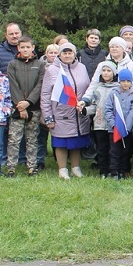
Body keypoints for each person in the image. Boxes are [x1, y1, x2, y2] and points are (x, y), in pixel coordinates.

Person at [43, 42, 92, 179]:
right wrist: (48, 116)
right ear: (60, 54)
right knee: (61, 142)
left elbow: (88, 88)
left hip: (78, 112)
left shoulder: (81, 67)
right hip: (61, 113)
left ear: (74, 54)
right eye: (64, 53)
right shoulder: (52, 70)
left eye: (70, 52)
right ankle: (62, 169)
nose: (67, 55)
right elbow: (46, 94)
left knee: (76, 141)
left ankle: (76, 168)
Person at [4, 36, 45, 177]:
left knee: (32, 138)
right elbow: (12, 85)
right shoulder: (13, 64)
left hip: (33, 107)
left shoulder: (40, 64)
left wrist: (29, 102)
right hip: (17, 107)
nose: (25, 49)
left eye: (28, 47)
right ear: (18, 48)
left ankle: (32, 167)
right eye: (22, 47)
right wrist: (20, 105)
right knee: (14, 139)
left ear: (32, 47)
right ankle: (11, 168)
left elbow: (40, 85)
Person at [83, 61, 119, 178]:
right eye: (104, 70)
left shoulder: (118, 88)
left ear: (113, 73)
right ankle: (103, 171)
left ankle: (113, 170)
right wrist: (86, 111)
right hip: (99, 123)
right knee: (101, 149)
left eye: (109, 71)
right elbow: (95, 105)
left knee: (113, 149)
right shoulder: (98, 88)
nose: (106, 73)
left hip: (113, 125)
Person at [104, 68, 133, 179]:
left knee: (126, 151)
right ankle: (114, 171)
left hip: (126, 130)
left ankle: (124, 171)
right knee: (114, 151)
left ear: (131, 82)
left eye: (128, 81)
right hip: (114, 129)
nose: (126, 83)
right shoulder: (113, 94)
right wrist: (114, 125)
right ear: (119, 81)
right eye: (123, 81)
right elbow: (108, 110)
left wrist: (126, 128)